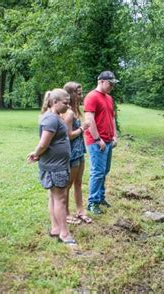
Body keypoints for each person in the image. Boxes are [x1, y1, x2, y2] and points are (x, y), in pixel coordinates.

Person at [27, 89, 76, 245]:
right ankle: (64, 233)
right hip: (55, 167)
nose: (68, 106)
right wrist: (36, 153)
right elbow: (43, 143)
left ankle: (56, 228)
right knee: (60, 199)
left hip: (57, 165)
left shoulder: (55, 117)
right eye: (65, 103)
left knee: (54, 197)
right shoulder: (50, 119)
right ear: (55, 102)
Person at [84, 71, 119, 215]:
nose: (112, 86)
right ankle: (92, 202)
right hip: (96, 141)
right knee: (97, 172)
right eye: (110, 84)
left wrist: (115, 136)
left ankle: (100, 197)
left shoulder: (109, 98)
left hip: (108, 140)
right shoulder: (92, 97)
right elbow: (89, 119)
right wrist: (98, 139)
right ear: (101, 81)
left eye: (113, 84)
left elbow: (111, 118)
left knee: (105, 171)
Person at [62, 82, 92, 224]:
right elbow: (68, 135)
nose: (81, 96)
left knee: (79, 182)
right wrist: (82, 128)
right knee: (68, 184)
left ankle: (80, 211)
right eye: (79, 93)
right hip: (72, 153)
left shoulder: (76, 110)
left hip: (80, 151)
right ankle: (66, 213)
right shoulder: (67, 113)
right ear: (72, 94)